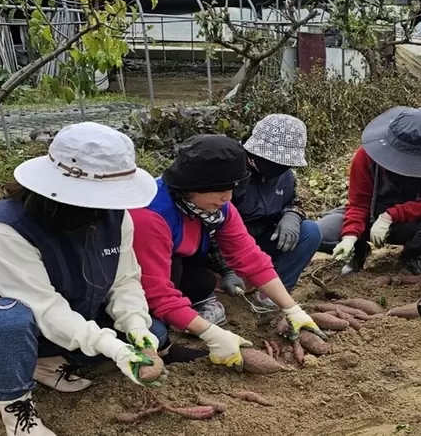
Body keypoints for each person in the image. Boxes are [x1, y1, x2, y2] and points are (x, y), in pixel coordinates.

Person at [0, 122, 170, 436]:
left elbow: (125, 279)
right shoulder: (5, 229)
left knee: (157, 332)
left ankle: (45, 362)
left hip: (75, 310)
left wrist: (135, 324)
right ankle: (16, 411)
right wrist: (110, 346)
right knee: (9, 321)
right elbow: (45, 308)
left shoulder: (114, 215)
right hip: (17, 322)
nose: (106, 208)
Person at [129, 134, 327, 370]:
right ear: (192, 187)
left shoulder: (217, 207)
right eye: (220, 190)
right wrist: (212, 334)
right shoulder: (150, 215)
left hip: (182, 262)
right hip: (126, 281)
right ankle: (163, 344)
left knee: (200, 283)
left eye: (232, 188)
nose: (228, 197)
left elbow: (249, 256)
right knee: (154, 331)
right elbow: (157, 291)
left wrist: (292, 308)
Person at [316, 107, 421, 276]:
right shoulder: (366, 155)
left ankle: (411, 255)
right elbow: (359, 202)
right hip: (368, 217)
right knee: (318, 234)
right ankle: (358, 251)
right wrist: (350, 236)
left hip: (410, 222)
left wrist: (391, 216)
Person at [210, 114, 322, 309]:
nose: (281, 167)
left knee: (310, 232)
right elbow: (209, 224)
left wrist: (292, 214)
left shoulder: (284, 175)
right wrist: (226, 268)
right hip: (224, 246)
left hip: (262, 239)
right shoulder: (230, 172)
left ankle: (273, 296)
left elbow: (294, 201)